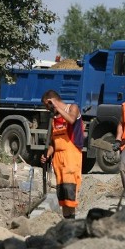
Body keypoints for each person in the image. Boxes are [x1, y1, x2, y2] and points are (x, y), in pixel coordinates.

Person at [40, 89, 84, 219]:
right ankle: (67, 222)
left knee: (70, 190)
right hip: (58, 159)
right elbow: (54, 143)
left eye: (47, 105)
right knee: (63, 194)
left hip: (71, 156)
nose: (47, 109)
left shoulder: (73, 108)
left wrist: (57, 108)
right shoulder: (54, 119)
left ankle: (72, 221)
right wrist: (47, 154)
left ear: (51, 101)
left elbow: (71, 120)